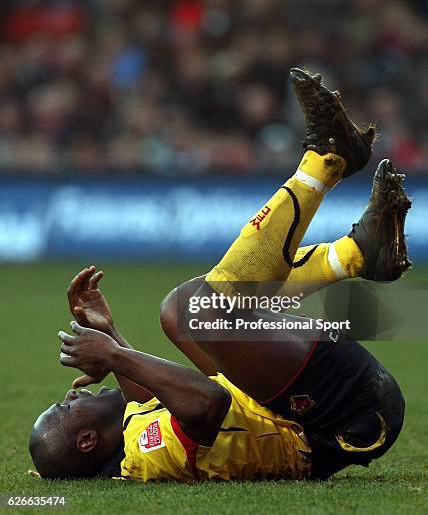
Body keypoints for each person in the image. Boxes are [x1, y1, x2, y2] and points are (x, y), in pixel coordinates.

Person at [29, 69, 411, 481]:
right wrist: (117, 356)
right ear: (87, 441)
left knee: (178, 315)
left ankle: (356, 254)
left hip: (300, 404)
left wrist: (112, 338)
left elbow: (156, 397)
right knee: (197, 307)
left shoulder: (131, 436)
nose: (74, 393)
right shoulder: (146, 455)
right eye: (67, 406)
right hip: (339, 417)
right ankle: (328, 160)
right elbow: (208, 402)